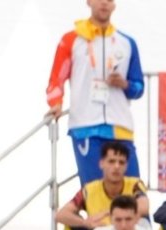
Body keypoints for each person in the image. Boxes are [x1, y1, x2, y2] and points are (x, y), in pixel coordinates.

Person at [47, 0, 144, 185]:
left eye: (109, 0)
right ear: (89, 2)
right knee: (94, 193)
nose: (104, 4)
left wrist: (125, 84)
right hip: (85, 127)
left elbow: (139, 88)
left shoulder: (127, 42)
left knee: (133, 193)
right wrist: (56, 104)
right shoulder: (70, 40)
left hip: (120, 126)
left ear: (114, 5)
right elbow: (56, 80)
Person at [56, 141, 150, 230]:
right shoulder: (89, 190)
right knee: (72, 225)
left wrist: (111, 214)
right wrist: (85, 223)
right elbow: (60, 215)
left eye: (121, 162)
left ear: (126, 166)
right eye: (111, 161)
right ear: (101, 163)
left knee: (143, 222)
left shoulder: (134, 185)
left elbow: (144, 207)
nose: (116, 166)